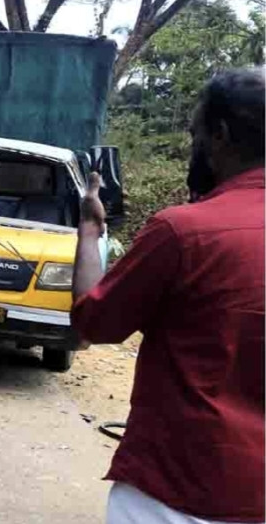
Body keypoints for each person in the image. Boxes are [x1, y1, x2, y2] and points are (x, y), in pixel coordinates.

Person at [71, 69, 264, 524]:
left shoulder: (184, 232)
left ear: (220, 135)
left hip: (175, 493)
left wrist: (91, 230)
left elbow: (92, 325)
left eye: (195, 133)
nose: (193, 145)